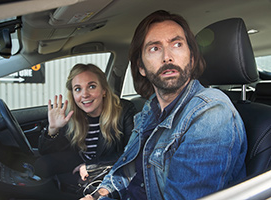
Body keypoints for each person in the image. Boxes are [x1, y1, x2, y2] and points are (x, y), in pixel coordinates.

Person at [81, 10, 247, 200]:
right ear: (141, 67)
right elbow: (129, 167)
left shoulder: (212, 112)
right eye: (154, 48)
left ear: (191, 59)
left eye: (177, 44)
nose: (167, 57)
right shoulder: (150, 108)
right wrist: (100, 194)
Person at [35, 63, 136, 196]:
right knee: (42, 165)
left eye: (92, 86)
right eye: (78, 89)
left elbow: (132, 153)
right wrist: (53, 129)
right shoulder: (72, 115)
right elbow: (47, 152)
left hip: (110, 168)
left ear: (104, 90)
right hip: (81, 161)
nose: (85, 94)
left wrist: (91, 166)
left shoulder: (124, 110)